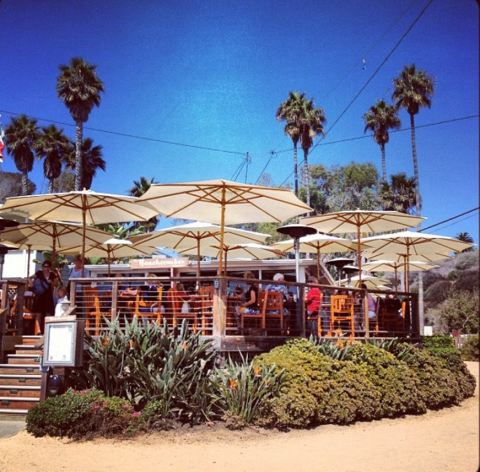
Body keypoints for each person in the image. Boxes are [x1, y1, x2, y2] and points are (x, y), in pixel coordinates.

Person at [31, 260, 58, 333]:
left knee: (48, 312)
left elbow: (56, 284)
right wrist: (32, 285)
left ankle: (47, 330)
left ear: (49, 267)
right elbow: (30, 277)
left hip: (48, 295)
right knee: (38, 313)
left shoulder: (52, 274)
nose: (46, 268)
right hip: (39, 295)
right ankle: (38, 330)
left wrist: (51, 282)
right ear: (42, 266)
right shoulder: (39, 273)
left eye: (47, 266)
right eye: (44, 266)